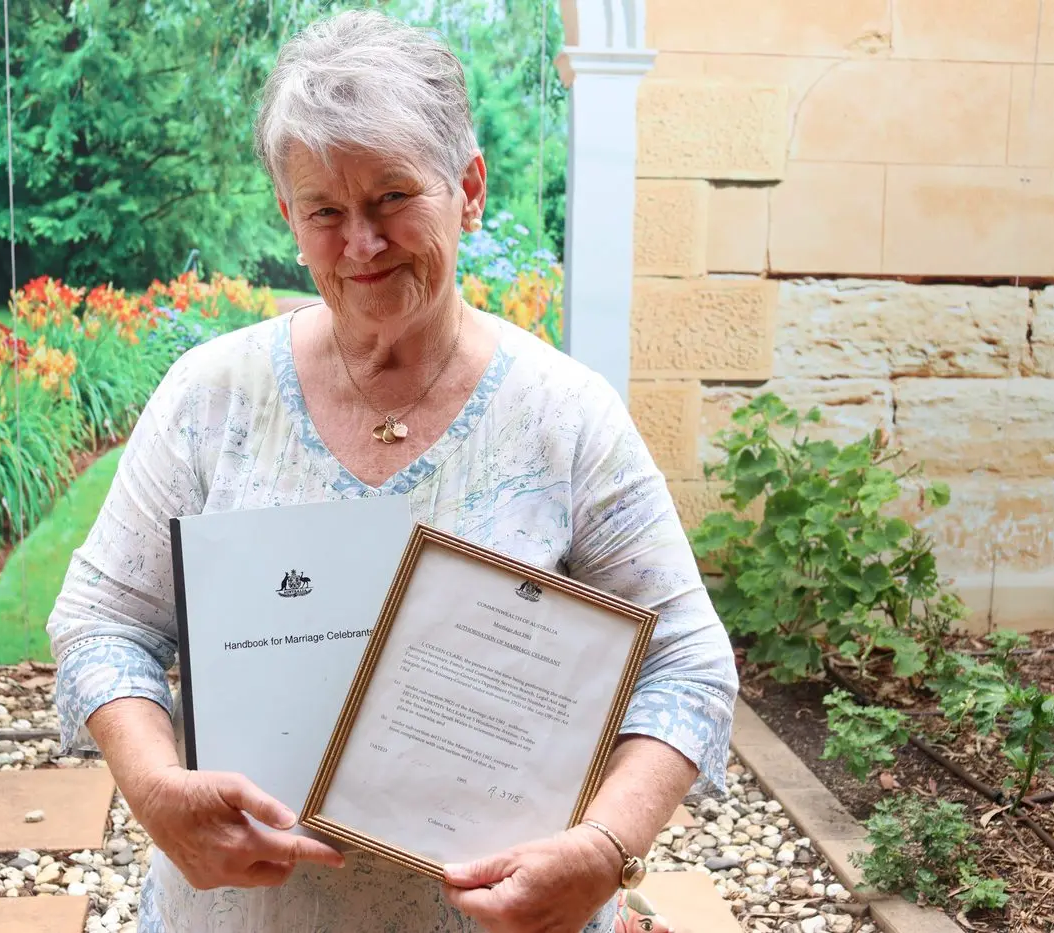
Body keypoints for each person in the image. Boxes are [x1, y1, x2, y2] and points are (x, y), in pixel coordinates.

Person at [48, 10, 738, 932]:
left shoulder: (564, 416)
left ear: (468, 189)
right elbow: (103, 619)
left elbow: (687, 663)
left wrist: (608, 849)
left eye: (392, 197)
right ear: (289, 217)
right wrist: (152, 785)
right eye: (325, 211)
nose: (361, 243)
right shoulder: (212, 396)